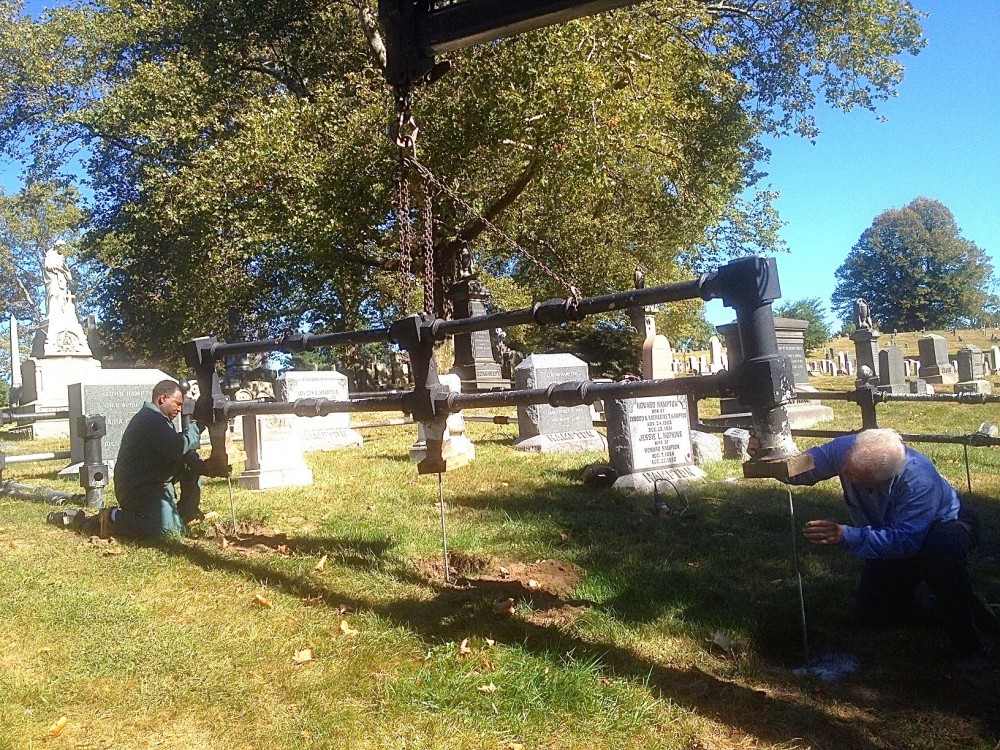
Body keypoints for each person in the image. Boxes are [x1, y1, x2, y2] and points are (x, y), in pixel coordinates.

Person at [781, 428, 998, 661]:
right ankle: (954, 606)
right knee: (872, 615)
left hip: (945, 524)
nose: (843, 473)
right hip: (893, 530)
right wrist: (768, 457)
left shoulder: (919, 482)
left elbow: (904, 542)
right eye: (846, 465)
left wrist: (846, 535)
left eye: (854, 476)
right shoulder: (847, 450)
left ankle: (968, 643)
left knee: (940, 559)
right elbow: (804, 469)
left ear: (879, 481)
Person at [86, 380, 227, 539]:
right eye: (177, 404)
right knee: (168, 533)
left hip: (152, 482)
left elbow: (181, 454)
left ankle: (187, 514)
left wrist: (205, 468)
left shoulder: (159, 419)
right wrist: (199, 425)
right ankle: (113, 517)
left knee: (191, 465)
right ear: (163, 399)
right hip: (138, 490)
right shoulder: (150, 419)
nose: (180, 410)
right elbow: (177, 448)